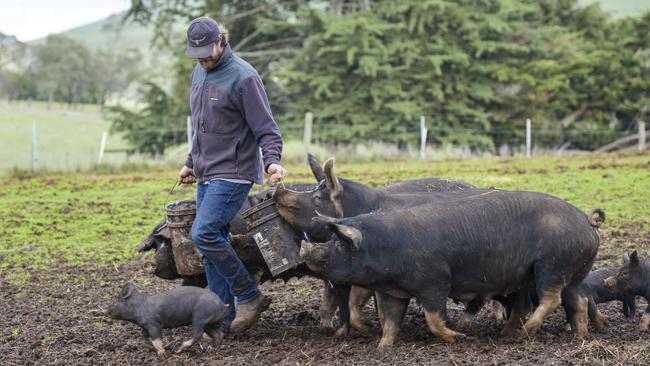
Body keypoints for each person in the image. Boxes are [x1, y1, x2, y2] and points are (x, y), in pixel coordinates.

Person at [179, 16, 286, 336]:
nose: (203, 57)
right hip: (206, 172)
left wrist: (272, 162)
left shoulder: (244, 77)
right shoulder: (199, 71)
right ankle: (219, 319)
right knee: (213, 245)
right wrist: (190, 162)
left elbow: (267, 129)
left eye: (207, 50)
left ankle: (249, 295)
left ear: (221, 41)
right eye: (196, 52)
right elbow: (202, 127)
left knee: (204, 233)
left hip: (234, 172)